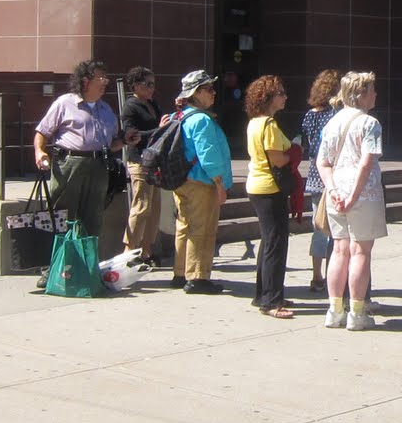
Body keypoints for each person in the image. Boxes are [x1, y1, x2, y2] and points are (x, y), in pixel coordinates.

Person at [33, 60, 138, 287]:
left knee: (93, 219)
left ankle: (87, 271)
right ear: (85, 80)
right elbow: (42, 131)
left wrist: (124, 141)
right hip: (69, 164)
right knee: (63, 218)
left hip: (99, 166)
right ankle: (53, 270)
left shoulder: (106, 109)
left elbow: (109, 144)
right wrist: (39, 151)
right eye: (101, 77)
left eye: (106, 78)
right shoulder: (65, 103)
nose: (105, 82)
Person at [318, 71, 388, 331]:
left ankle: (334, 309)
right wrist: (353, 194)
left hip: (336, 190)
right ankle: (357, 312)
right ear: (361, 95)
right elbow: (367, 161)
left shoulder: (332, 122)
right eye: (372, 89)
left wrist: (334, 189)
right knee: (360, 251)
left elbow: (322, 162)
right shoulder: (369, 123)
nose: (375, 94)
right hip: (363, 193)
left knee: (339, 249)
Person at [169, 70, 234, 294]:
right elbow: (209, 155)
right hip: (201, 182)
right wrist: (219, 184)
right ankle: (197, 277)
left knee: (184, 226)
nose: (213, 93)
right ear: (196, 93)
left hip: (181, 180)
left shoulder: (178, 116)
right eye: (208, 89)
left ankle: (180, 272)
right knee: (203, 228)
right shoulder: (202, 120)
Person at [244, 75, 296, 318]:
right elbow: (277, 159)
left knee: (268, 241)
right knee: (276, 243)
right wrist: (295, 152)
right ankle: (272, 301)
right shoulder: (270, 125)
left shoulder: (255, 122)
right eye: (281, 93)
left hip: (257, 184)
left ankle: (263, 294)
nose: (285, 97)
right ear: (268, 98)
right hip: (270, 187)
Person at [120, 66, 165, 266]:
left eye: (154, 84)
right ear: (135, 85)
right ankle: (129, 251)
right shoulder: (131, 106)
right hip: (139, 160)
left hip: (155, 160)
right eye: (148, 84)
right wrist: (159, 128)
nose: (152, 88)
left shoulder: (152, 103)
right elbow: (133, 135)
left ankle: (147, 251)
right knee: (141, 206)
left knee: (155, 209)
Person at [302, 70, 342, 293]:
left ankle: (316, 275)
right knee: (334, 229)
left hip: (314, 174)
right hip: (331, 174)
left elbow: (308, 143)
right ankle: (332, 275)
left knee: (318, 227)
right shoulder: (334, 114)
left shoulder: (309, 115)